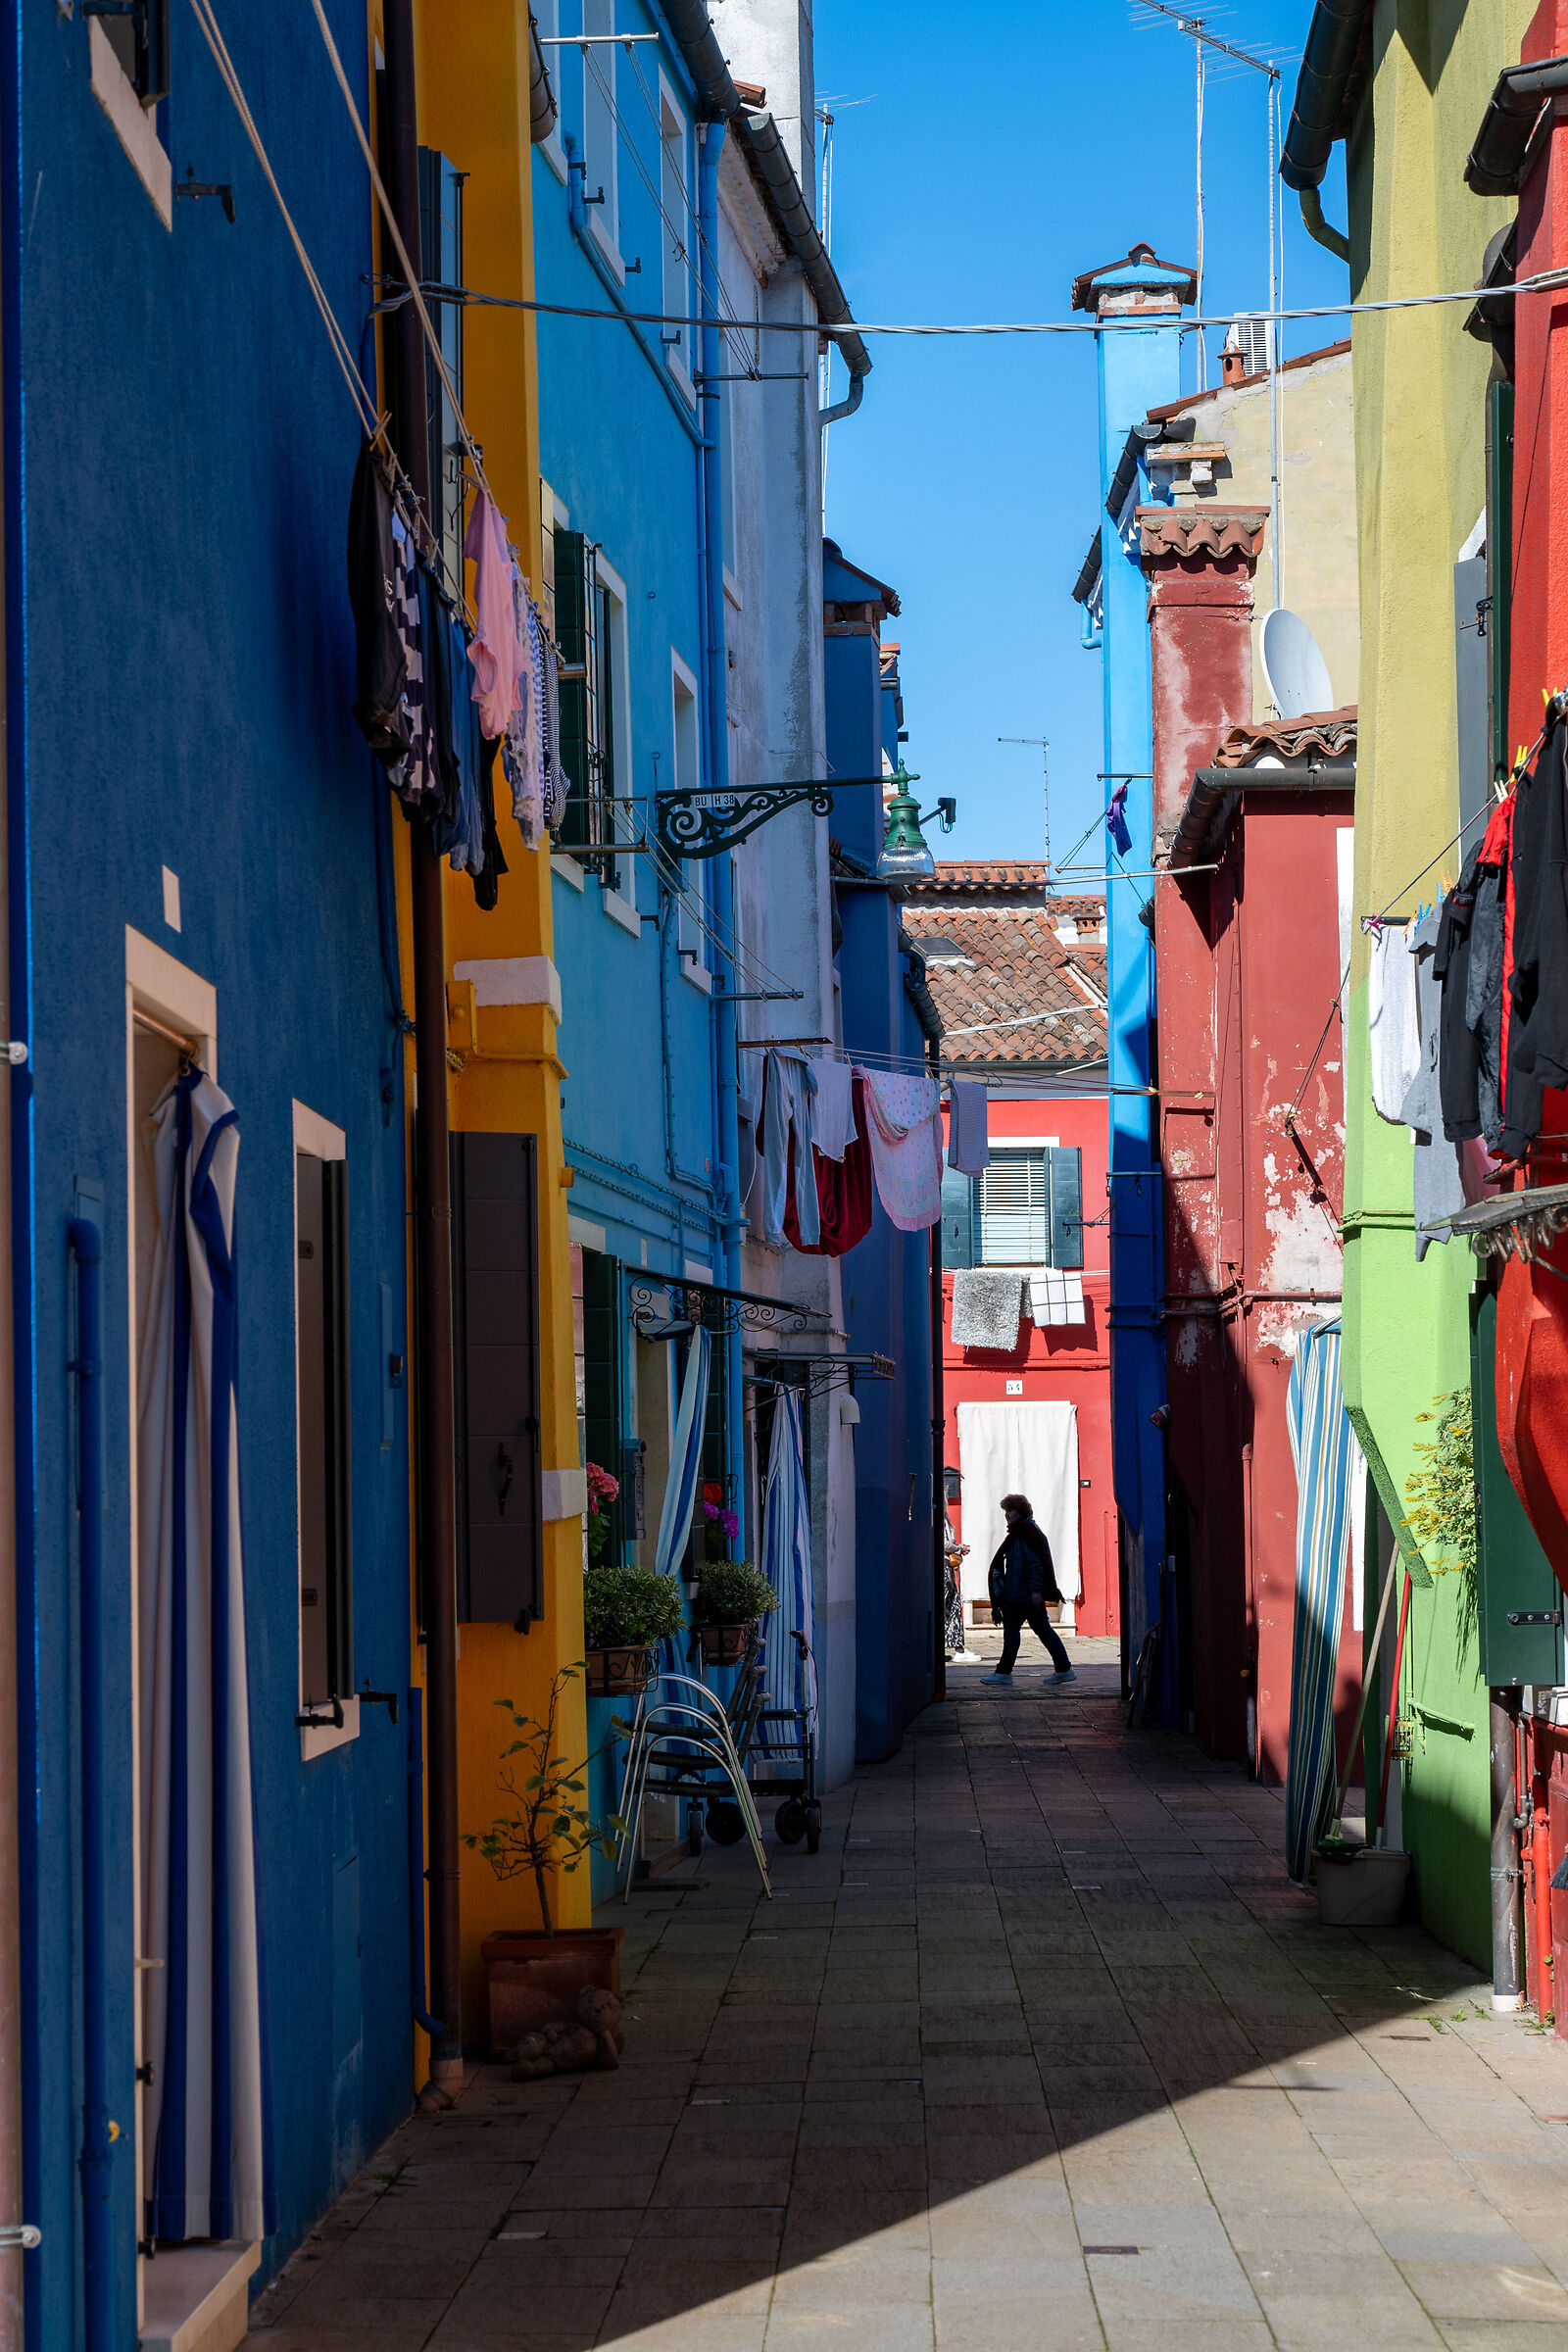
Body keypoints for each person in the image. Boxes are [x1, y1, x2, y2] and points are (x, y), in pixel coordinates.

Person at [982, 1493, 1077, 1689]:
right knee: (1043, 1630)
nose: (1007, 1515)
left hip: (1022, 1595)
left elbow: (1036, 1565)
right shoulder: (1022, 1533)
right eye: (1006, 1512)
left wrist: (1035, 1591)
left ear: (1020, 1512)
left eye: (1010, 1511)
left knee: (1012, 1632)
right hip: (1022, 1594)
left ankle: (1003, 1673)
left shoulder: (1026, 1535)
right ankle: (1064, 1669)